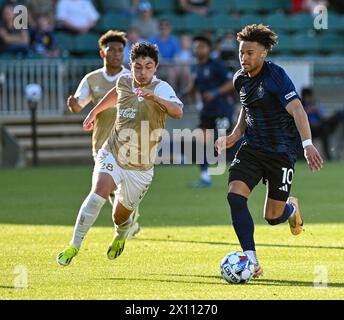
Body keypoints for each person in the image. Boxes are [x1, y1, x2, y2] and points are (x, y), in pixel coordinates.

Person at [57, 42, 183, 266]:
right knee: (98, 194)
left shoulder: (161, 88)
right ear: (130, 66)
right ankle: (73, 245)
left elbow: (178, 112)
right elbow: (116, 93)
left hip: (141, 168)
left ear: (156, 67)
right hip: (113, 152)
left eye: (148, 67)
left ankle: (121, 234)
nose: (142, 72)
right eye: (137, 67)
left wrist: (156, 99)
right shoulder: (124, 81)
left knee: (120, 216)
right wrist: (95, 112)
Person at [215, 24, 323, 278]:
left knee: (273, 217)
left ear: (263, 53)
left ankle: (291, 209)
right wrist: (234, 136)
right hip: (252, 148)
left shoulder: (276, 76)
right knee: (234, 197)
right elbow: (246, 109)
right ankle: (251, 260)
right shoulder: (239, 78)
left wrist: (307, 145)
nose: (244, 58)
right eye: (241, 53)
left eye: (250, 53)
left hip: (281, 152)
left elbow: (297, 109)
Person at [66, 30, 141, 244]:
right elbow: (78, 103)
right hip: (101, 145)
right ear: (102, 53)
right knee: (108, 190)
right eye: (112, 50)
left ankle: (128, 217)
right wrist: (73, 105)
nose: (117, 54)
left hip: (128, 144)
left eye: (120, 50)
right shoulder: (92, 79)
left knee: (120, 189)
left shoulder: (131, 78)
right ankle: (130, 219)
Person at [188, 34, 234, 187]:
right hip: (207, 111)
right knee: (201, 142)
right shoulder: (196, 66)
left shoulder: (217, 65)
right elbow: (195, 85)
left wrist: (215, 92)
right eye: (195, 47)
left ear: (208, 49)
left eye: (201, 46)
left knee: (229, 142)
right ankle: (205, 177)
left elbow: (232, 82)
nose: (198, 49)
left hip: (221, 109)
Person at [301, 87, 344, 160]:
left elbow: (323, 116)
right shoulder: (300, 105)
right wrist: (308, 111)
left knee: (325, 129)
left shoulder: (315, 103)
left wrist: (316, 110)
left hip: (319, 127)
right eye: (307, 96)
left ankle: (328, 157)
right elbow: (300, 118)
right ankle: (301, 157)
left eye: (310, 96)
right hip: (307, 129)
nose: (309, 98)